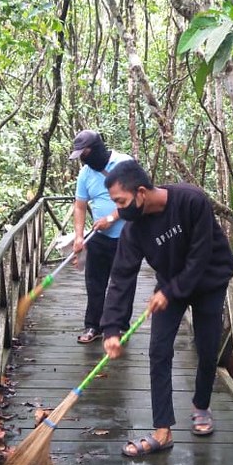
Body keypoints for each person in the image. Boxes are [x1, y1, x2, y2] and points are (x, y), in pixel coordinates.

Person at [100, 159, 233, 457]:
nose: (119, 210)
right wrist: (111, 327)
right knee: (158, 350)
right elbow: (122, 276)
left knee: (207, 346)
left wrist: (171, 290)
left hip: (210, 280)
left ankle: (201, 405)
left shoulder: (191, 200)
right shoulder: (134, 229)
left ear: (141, 192)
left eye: (121, 201)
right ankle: (163, 430)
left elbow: (200, 256)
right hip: (170, 286)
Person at [69, 130, 135, 344]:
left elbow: (137, 197)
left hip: (127, 237)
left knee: (123, 283)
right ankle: (93, 326)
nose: (83, 160)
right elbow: (79, 206)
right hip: (98, 237)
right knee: (95, 283)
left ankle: (118, 328)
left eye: (84, 154)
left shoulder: (124, 163)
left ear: (95, 148)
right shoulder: (86, 174)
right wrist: (79, 237)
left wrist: (112, 217)